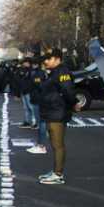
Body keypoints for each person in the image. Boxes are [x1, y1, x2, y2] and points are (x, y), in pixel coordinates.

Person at [34, 48, 80, 184]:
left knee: (57, 144)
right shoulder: (54, 72)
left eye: (49, 58)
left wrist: (75, 103)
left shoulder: (62, 72)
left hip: (57, 113)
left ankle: (58, 174)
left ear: (57, 59)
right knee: (55, 144)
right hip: (52, 111)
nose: (46, 61)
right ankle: (55, 171)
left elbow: (68, 90)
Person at [17, 59, 37, 129]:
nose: (24, 64)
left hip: (29, 91)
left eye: (25, 63)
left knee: (31, 107)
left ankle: (35, 122)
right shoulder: (23, 70)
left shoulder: (32, 71)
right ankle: (27, 121)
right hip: (24, 91)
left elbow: (32, 82)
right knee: (26, 108)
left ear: (28, 63)